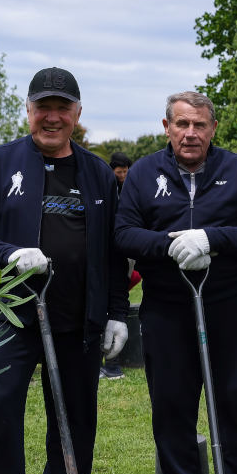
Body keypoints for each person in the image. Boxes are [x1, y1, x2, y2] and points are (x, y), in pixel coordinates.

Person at [0, 67, 129, 474]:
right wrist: (9, 253)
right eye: (42, 107)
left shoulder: (97, 173)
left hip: (79, 317)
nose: (52, 117)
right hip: (13, 316)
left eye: (62, 108)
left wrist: (117, 312)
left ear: (77, 114)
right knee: (2, 412)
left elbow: (114, 252)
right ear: (29, 110)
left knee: (75, 417)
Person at [115, 91, 237, 474]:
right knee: (172, 403)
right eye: (181, 124)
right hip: (166, 308)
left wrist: (210, 239)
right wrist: (170, 245)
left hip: (230, 305)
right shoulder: (145, 173)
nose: (190, 133)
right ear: (166, 127)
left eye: (199, 125)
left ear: (213, 129)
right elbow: (124, 234)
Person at [99, 151, 134, 380]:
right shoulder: (105, 187)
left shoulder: (132, 188)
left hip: (124, 256)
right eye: (119, 172)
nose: (122, 175)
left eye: (124, 172)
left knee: (116, 309)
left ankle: (112, 365)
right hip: (104, 255)